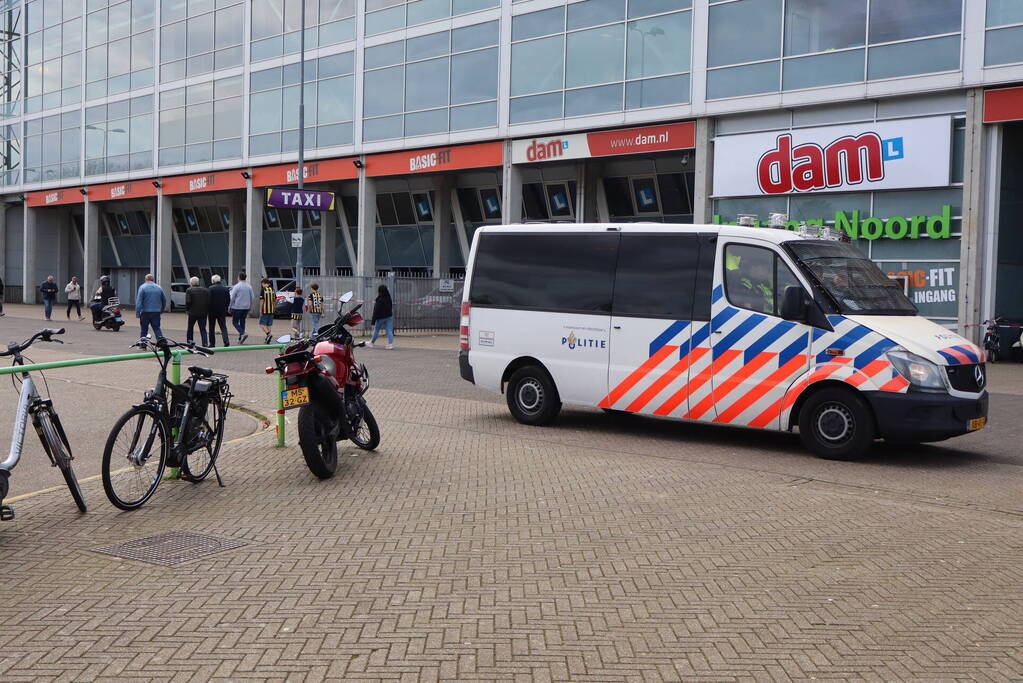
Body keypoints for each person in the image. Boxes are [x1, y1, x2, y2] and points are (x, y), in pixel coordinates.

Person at [135, 273, 167, 339]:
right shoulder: (159, 288)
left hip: (145, 312)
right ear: (153, 280)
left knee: (144, 329)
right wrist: (162, 309)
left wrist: (137, 313)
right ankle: (161, 342)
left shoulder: (142, 287)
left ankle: (143, 344)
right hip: (156, 312)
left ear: (145, 279)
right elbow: (164, 300)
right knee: (157, 328)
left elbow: (139, 301)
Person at [228, 271, 254, 344]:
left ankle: (242, 333)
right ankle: (240, 337)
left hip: (237, 307)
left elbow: (232, 297)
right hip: (246, 307)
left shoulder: (236, 286)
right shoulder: (249, 286)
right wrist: (250, 307)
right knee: (242, 321)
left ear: (239, 277)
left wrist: (230, 307)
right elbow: (252, 297)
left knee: (235, 322)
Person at [185, 276, 211, 346]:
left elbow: (188, 301)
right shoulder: (206, 290)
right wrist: (207, 310)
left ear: (191, 283)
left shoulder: (189, 290)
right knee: (203, 329)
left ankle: (190, 343)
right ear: (198, 282)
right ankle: (205, 343)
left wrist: (187, 310)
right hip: (203, 313)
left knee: (190, 328)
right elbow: (209, 302)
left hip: (192, 312)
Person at [207, 274, 231, 347]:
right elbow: (228, 300)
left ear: (213, 281)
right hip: (222, 310)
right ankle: (226, 341)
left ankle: (212, 344)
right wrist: (225, 308)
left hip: (212, 311)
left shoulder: (210, 288)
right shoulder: (225, 288)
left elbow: (208, 300)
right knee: (223, 326)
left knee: (211, 328)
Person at [369, 284, 394, 350]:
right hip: (388, 316)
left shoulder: (379, 299)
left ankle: (371, 343)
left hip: (380, 317)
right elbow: (391, 306)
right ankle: (390, 344)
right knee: (389, 330)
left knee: (376, 330)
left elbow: (376, 310)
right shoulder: (389, 297)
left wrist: (373, 320)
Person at [259, 278, 276, 344]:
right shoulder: (272, 290)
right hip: (271, 310)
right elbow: (275, 299)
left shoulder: (263, 290)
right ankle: (268, 338)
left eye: (262, 284)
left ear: (263, 283)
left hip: (265, 310)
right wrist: (274, 307)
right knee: (269, 324)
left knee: (262, 324)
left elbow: (261, 300)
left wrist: (260, 310)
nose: (262, 285)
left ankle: (268, 334)